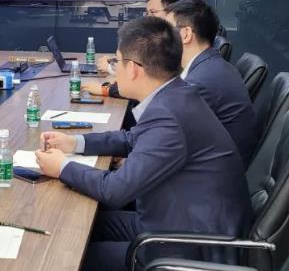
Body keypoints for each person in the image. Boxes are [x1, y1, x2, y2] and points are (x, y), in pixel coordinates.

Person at [35, 17, 250, 271]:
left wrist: (62, 167)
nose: (115, 70)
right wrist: (75, 142)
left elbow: (115, 189)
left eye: (117, 62)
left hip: (189, 245)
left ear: (134, 69)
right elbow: (131, 138)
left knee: (66, 254)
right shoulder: (175, 94)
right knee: (72, 226)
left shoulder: (168, 115)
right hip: (174, 220)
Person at [165, 0, 259, 168]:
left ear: (186, 34)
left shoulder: (200, 82)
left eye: (166, 30)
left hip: (206, 173)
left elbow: (166, 139)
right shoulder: (210, 65)